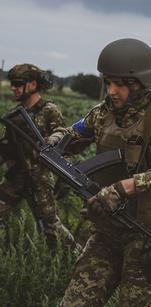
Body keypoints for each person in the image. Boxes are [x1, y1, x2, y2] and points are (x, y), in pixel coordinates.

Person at [50, 38, 151, 306]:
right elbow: (73, 134)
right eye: (108, 82)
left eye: (118, 84)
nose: (111, 91)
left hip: (144, 235)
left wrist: (123, 188)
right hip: (106, 231)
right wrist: (55, 141)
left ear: (139, 83)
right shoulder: (104, 113)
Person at [0, 63, 77, 250]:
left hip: (41, 177)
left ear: (33, 85)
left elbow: (64, 145)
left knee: (51, 227)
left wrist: (62, 179)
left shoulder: (50, 110)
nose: (13, 87)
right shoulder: (14, 116)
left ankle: (77, 258)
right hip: (17, 175)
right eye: (12, 83)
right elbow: (6, 149)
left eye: (18, 83)